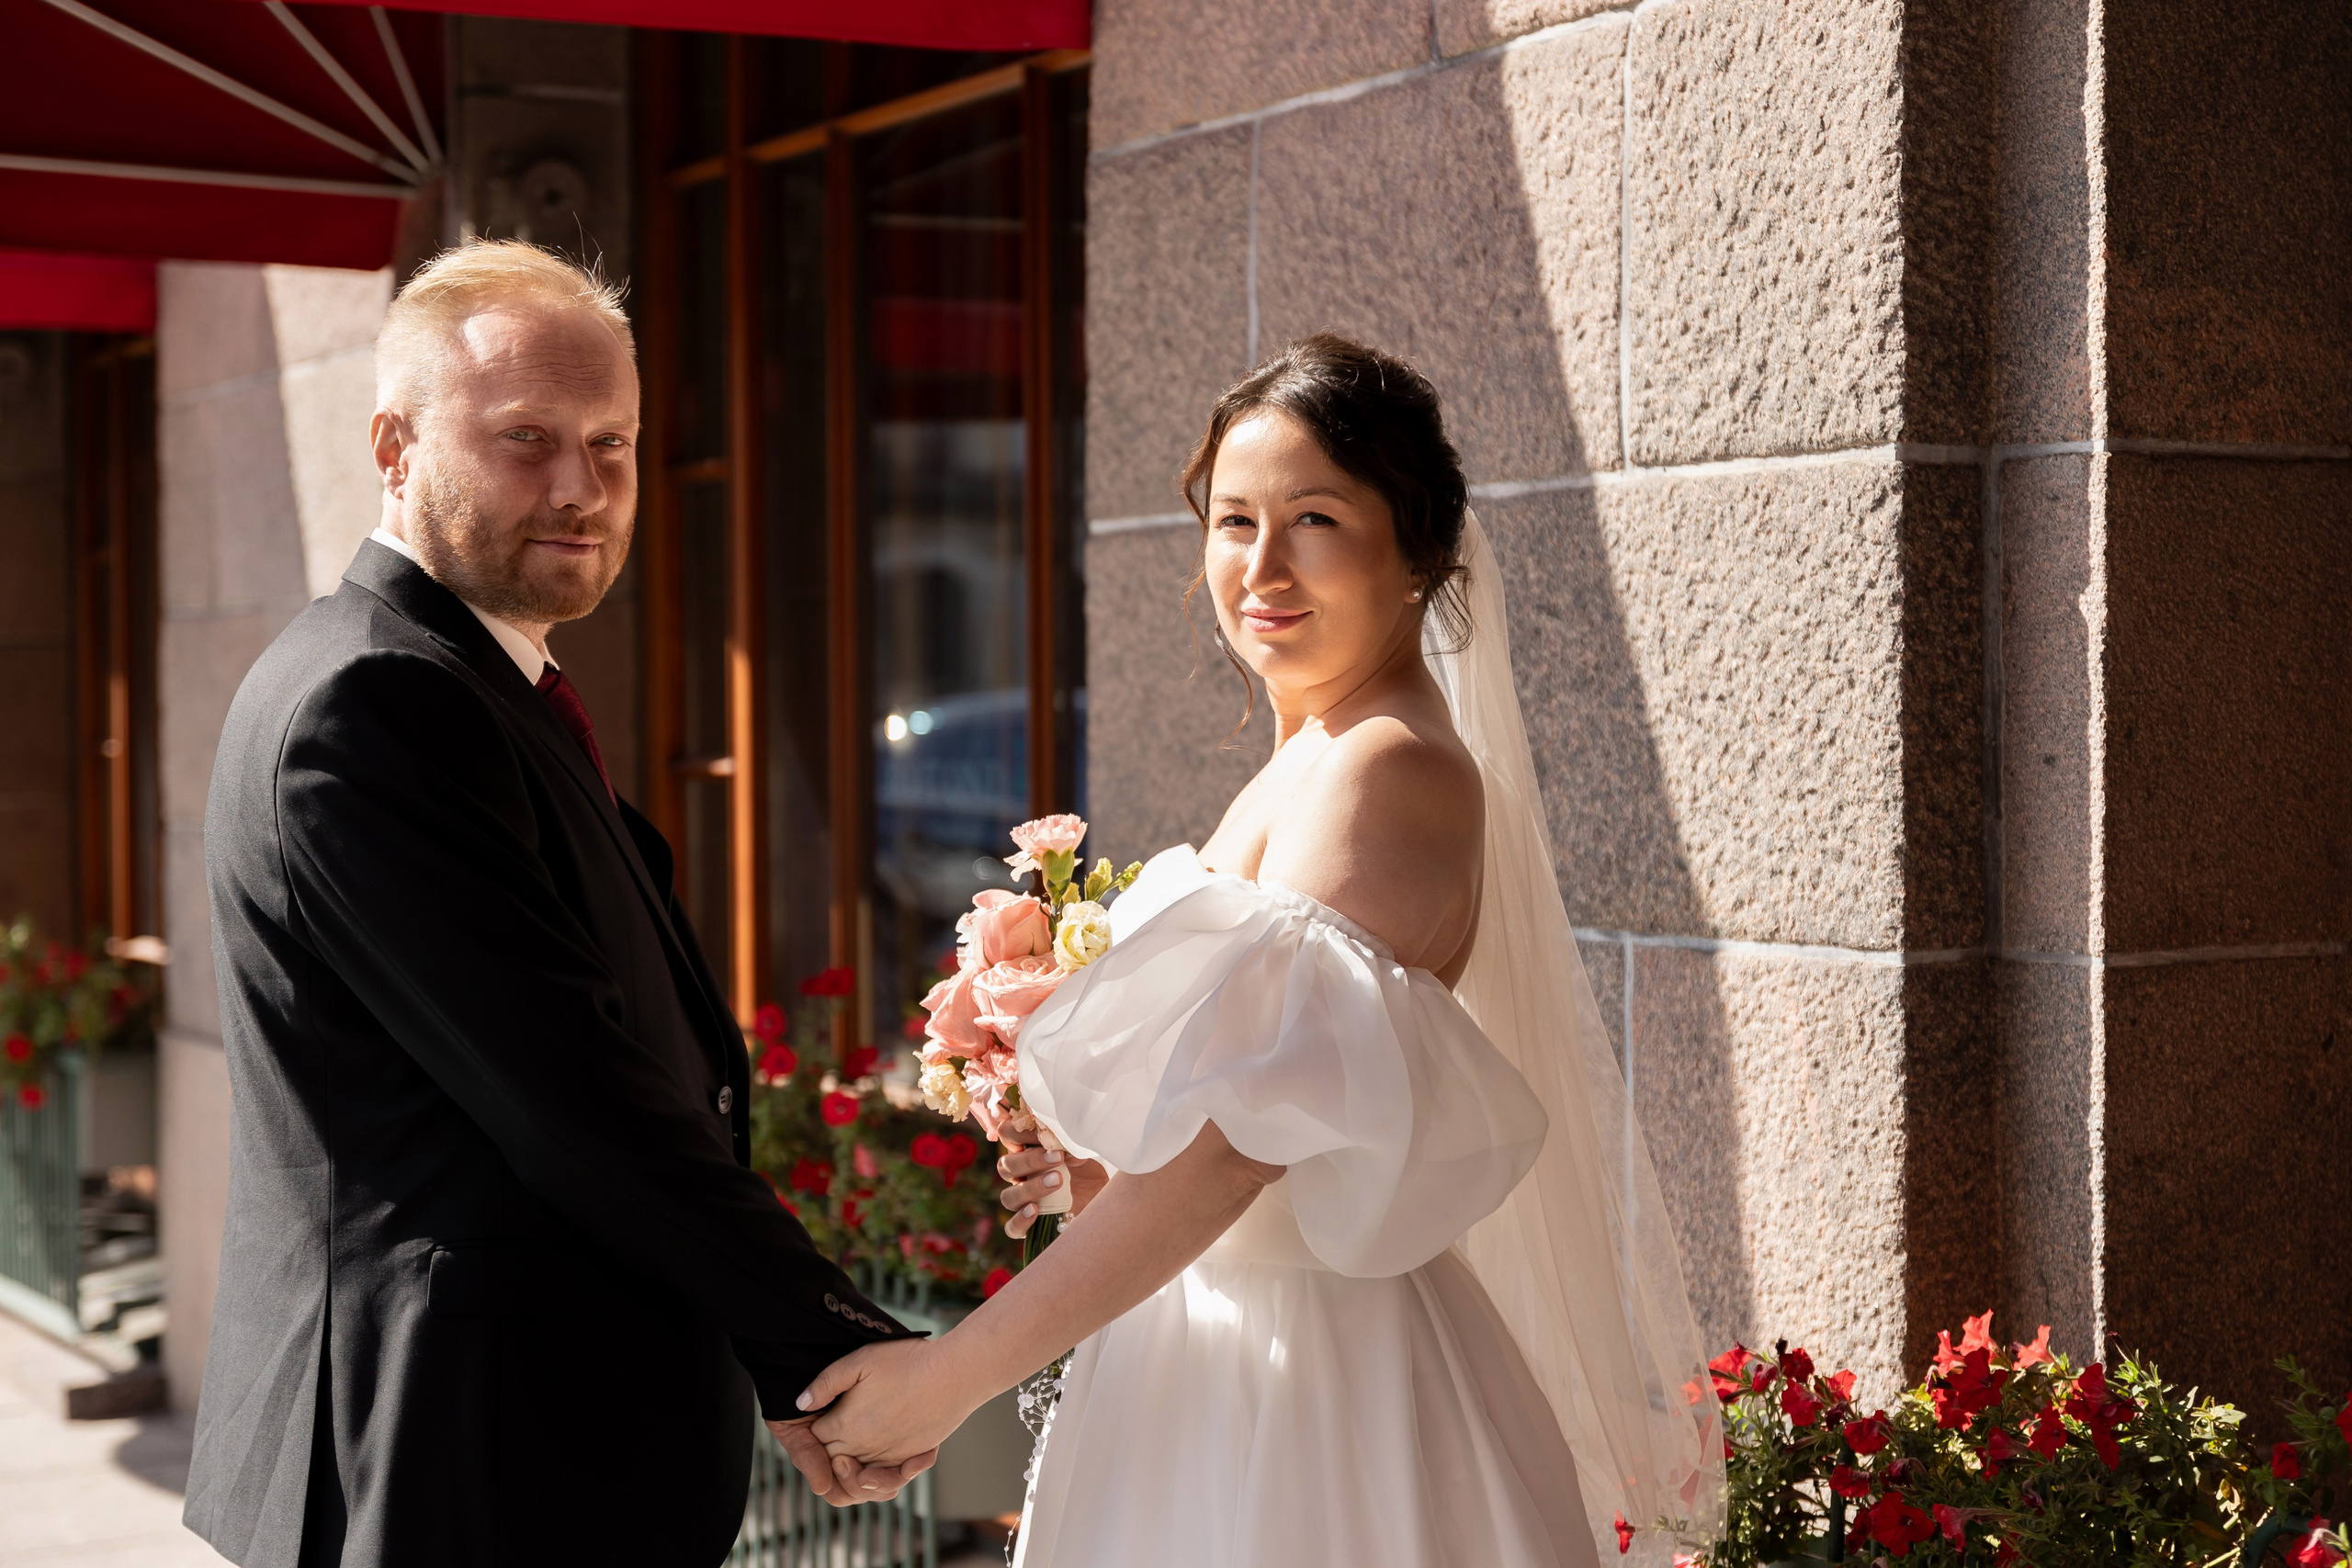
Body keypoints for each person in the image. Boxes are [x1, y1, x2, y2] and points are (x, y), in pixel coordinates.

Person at [796, 335, 1727, 1566]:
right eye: (1234, 520)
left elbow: (1233, 1162)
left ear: (1418, 555)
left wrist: (953, 1376)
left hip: (1310, 1398)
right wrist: (1077, 1153)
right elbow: (1221, 1150)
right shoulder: (1315, 757)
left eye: (1317, 518)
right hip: (1201, 1354)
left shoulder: (1386, 770)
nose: (1261, 565)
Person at [185, 239, 920, 1568]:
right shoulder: (375, 703)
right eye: (527, 437)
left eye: (615, 442)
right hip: (461, 1465)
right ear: (393, 446)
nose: (583, 486)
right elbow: (569, 1089)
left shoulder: (460, 685)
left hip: (511, 1448)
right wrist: (820, 1341)